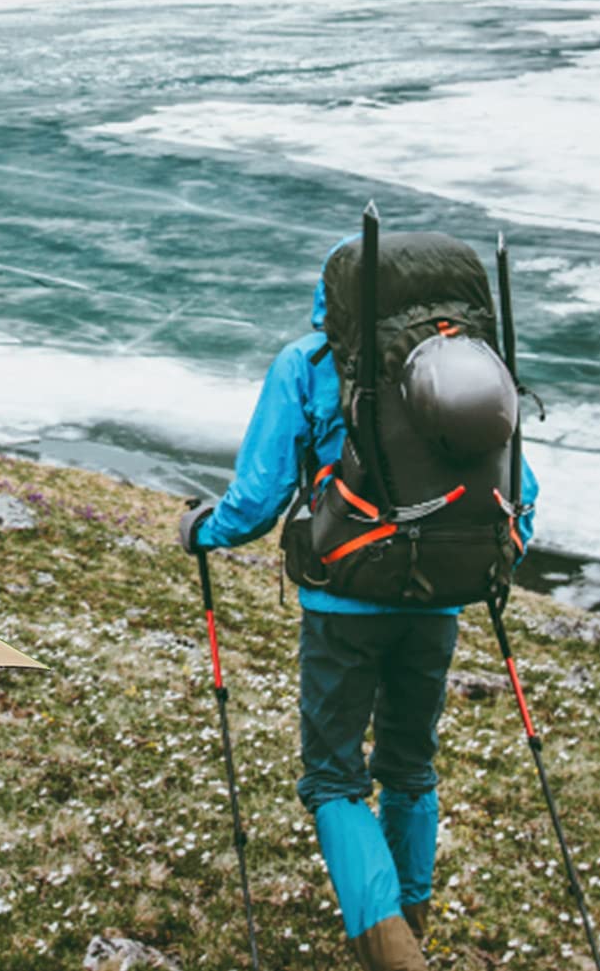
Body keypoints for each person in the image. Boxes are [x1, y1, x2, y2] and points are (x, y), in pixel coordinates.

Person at [177, 239, 539, 971]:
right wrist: (482, 555)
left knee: (335, 778)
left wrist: (201, 531)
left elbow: (256, 496)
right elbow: (517, 494)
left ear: (333, 296)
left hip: (343, 600)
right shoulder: (468, 367)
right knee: (409, 767)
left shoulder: (309, 363)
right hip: (441, 599)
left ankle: (393, 956)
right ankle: (413, 920)